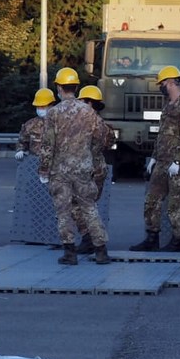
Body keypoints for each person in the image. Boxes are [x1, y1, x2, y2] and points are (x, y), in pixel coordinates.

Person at [38, 67, 110, 265]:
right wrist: (90, 155)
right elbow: (101, 138)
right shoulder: (88, 112)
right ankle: (101, 251)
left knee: (63, 212)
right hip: (83, 169)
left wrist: (44, 169)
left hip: (60, 172)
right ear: (76, 87)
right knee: (89, 208)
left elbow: (47, 144)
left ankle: (70, 252)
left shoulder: (54, 113)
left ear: (59, 88)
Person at [131, 65, 180, 252]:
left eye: (161, 84)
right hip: (162, 163)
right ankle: (152, 238)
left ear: (169, 82)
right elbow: (162, 136)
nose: (160, 87)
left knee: (176, 205)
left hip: (177, 165)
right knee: (151, 200)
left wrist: (178, 161)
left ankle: (179, 241)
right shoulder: (168, 107)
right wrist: (153, 158)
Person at [75, 85, 116, 255]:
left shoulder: (84, 123)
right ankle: (93, 241)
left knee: (79, 206)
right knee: (88, 206)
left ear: (89, 103)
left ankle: (92, 241)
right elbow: (110, 142)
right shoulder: (103, 125)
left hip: (86, 169)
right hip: (98, 167)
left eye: (83, 101)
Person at [15, 88, 56, 159]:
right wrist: (20, 150)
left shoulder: (58, 122)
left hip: (53, 163)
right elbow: (22, 141)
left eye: (42, 107)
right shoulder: (30, 124)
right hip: (34, 163)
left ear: (51, 105)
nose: (40, 109)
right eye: (38, 107)